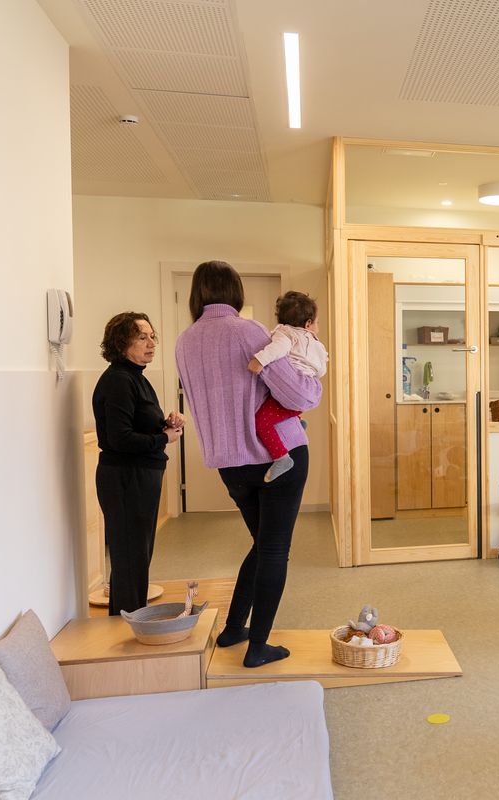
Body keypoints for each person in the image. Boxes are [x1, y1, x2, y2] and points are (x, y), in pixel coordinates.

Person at [175, 261, 322, 668]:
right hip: (277, 456)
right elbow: (298, 396)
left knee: (262, 544)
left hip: (230, 464)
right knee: (275, 549)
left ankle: (234, 628)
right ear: (235, 291)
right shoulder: (250, 331)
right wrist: (314, 386)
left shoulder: (184, 341)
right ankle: (258, 646)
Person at [92, 312, 183, 615]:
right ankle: (128, 626)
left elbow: (136, 427)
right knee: (131, 559)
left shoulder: (135, 377)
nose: (151, 344)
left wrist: (165, 425)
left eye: (152, 336)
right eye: (142, 338)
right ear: (121, 343)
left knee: (135, 559)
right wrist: (163, 438)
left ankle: (127, 622)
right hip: (126, 477)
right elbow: (120, 439)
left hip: (139, 475)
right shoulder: (119, 380)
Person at [246, 291, 328, 483]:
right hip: (313, 389)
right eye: (317, 322)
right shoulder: (315, 342)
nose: (317, 327)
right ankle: (297, 420)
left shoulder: (285, 333)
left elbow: (277, 349)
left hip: (295, 393)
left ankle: (281, 458)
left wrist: (259, 361)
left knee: (260, 421)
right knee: (278, 397)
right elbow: (321, 369)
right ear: (308, 323)